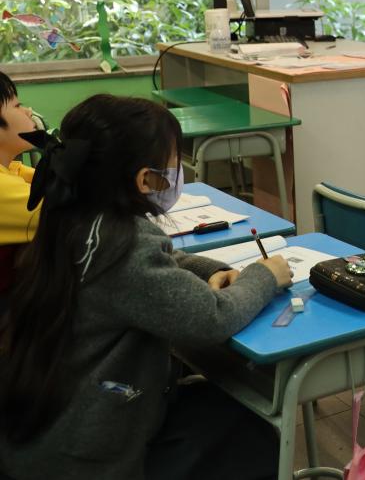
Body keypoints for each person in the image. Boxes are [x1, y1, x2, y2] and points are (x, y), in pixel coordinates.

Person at [0, 94, 293, 480]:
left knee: (217, 407)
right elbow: (212, 317)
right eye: (173, 164)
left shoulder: (72, 215)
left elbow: (152, 266)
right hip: (83, 455)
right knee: (250, 433)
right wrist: (266, 275)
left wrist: (209, 269)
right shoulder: (123, 243)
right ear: (145, 179)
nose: (177, 173)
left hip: (44, 427)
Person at [0, 72, 40, 305]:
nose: (28, 111)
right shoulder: (3, 190)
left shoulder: (10, 170)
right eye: (17, 105)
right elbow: (76, 212)